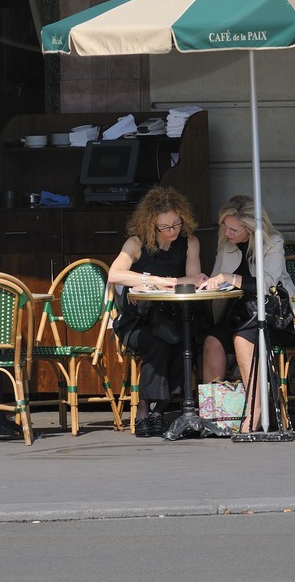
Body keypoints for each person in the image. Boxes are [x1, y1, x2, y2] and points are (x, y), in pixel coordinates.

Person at [200, 195, 295, 432]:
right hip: (238, 314)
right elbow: (216, 278)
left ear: (251, 228)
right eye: (225, 226)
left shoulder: (272, 242)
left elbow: (268, 285)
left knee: (243, 338)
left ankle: (256, 410)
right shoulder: (226, 244)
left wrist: (230, 278)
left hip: (276, 317)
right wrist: (208, 282)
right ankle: (218, 416)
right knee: (212, 340)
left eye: (234, 229)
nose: (228, 232)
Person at [108, 184, 203, 437]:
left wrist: (176, 280)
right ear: (152, 223)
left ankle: (158, 410)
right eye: (165, 227)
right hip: (137, 320)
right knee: (159, 345)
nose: (172, 231)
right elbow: (115, 273)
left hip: (173, 315)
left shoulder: (189, 242)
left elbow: (194, 278)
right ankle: (142, 409)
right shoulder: (136, 243)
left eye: (176, 224)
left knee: (184, 344)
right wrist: (152, 281)